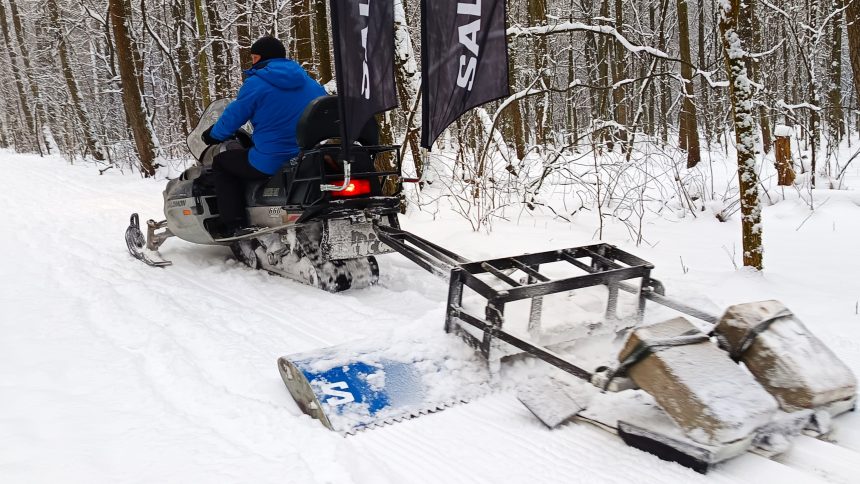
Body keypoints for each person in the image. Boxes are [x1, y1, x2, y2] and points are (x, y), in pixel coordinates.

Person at [201, 36, 326, 238]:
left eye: (253, 57)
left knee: (222, 163)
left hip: (272, 159)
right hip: (307, 157)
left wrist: (213, 134)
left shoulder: (256, 84)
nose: (252, 61)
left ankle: (234, 226)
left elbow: (234, 116)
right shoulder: (311, 83)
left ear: (260, 57)